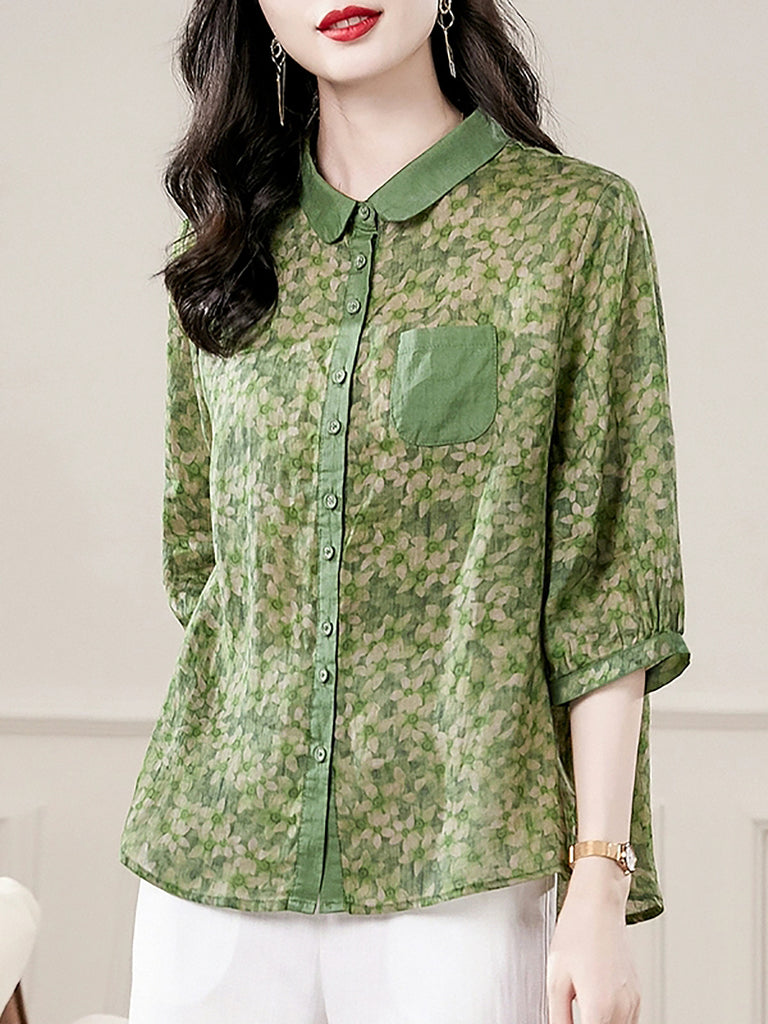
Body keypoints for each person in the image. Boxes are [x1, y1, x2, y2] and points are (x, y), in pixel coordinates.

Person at [119, 1, 692, 1022]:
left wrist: (599, 879)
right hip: (213, 860)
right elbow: (202, 562)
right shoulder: (222, 248)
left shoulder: (572, 227)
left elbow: (608, 588)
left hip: (465, 869)